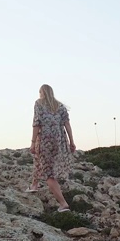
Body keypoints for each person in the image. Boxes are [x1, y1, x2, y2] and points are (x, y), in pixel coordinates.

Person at [28, 84, 76, 212]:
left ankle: (63, 203)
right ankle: (34, 185)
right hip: (59, 141)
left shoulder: (39, 103)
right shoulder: (60, 106)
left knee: (49, 173)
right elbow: (67, 124)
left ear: (42, 93)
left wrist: (32, 142)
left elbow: (36, 123)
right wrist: (71, 141)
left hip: (45, 140)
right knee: (39, 159)